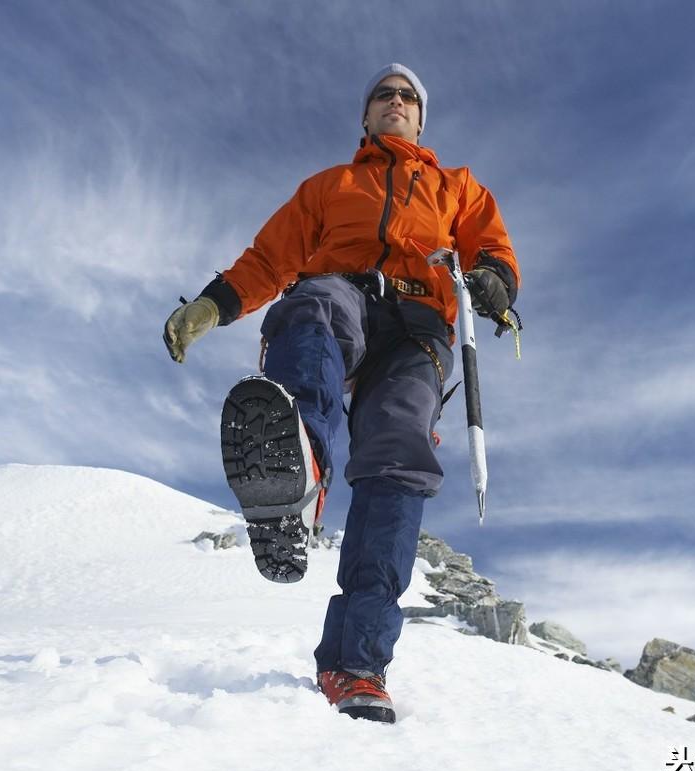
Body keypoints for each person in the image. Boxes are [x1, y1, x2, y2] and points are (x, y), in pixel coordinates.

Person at [163, 64, 520, 724]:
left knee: (399, 457)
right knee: (314, 304)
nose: (395, 102)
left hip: (418, 323)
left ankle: (355, 662)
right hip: (344, 291)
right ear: (366, 115)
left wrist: (497, 280)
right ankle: (296, 472)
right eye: (383, 95)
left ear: (421, 117)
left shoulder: (455, 188)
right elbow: (270, 259)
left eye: (408, 97)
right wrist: (213, 306)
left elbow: (488, 246)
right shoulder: (330, 187)